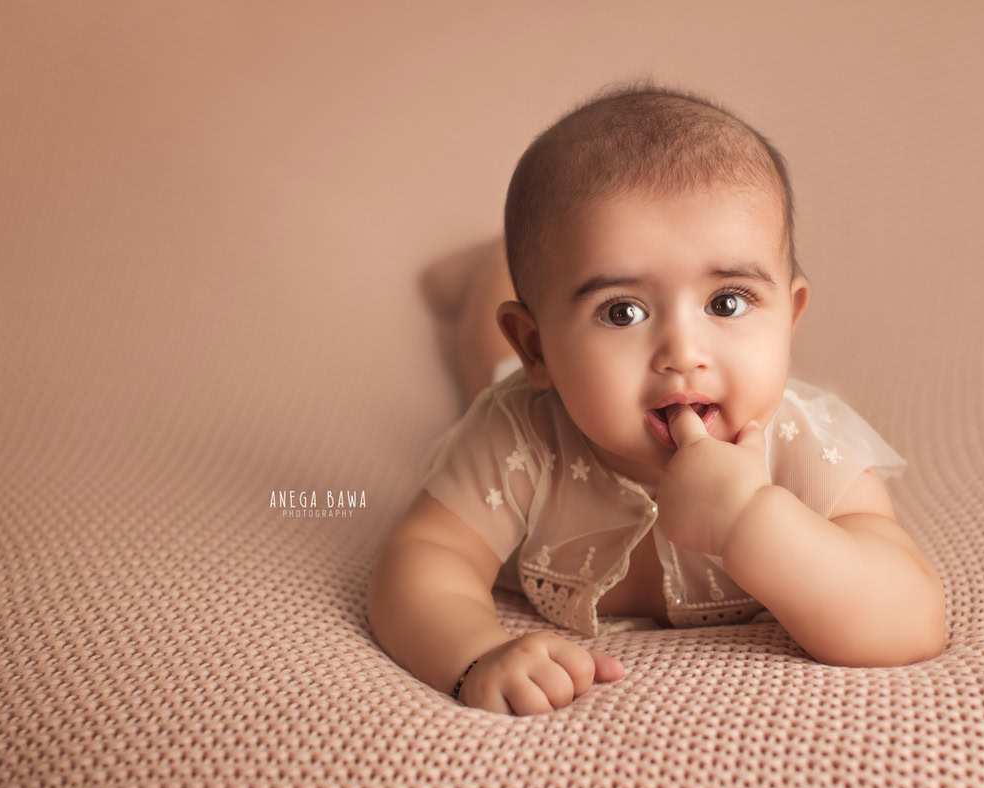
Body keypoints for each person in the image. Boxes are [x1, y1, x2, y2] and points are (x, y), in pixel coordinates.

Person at [368, 78, 946, 716]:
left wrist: (755, 521)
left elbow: (912, 619)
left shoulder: (802, 447)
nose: (683, 352)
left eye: (727, 302)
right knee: (486, 366)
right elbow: (424, 559)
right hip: (520, 379)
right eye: (622, 312)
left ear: (789, 316)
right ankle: (490, 271)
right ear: (540, 347)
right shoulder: (518, 437)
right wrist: (474, 653)